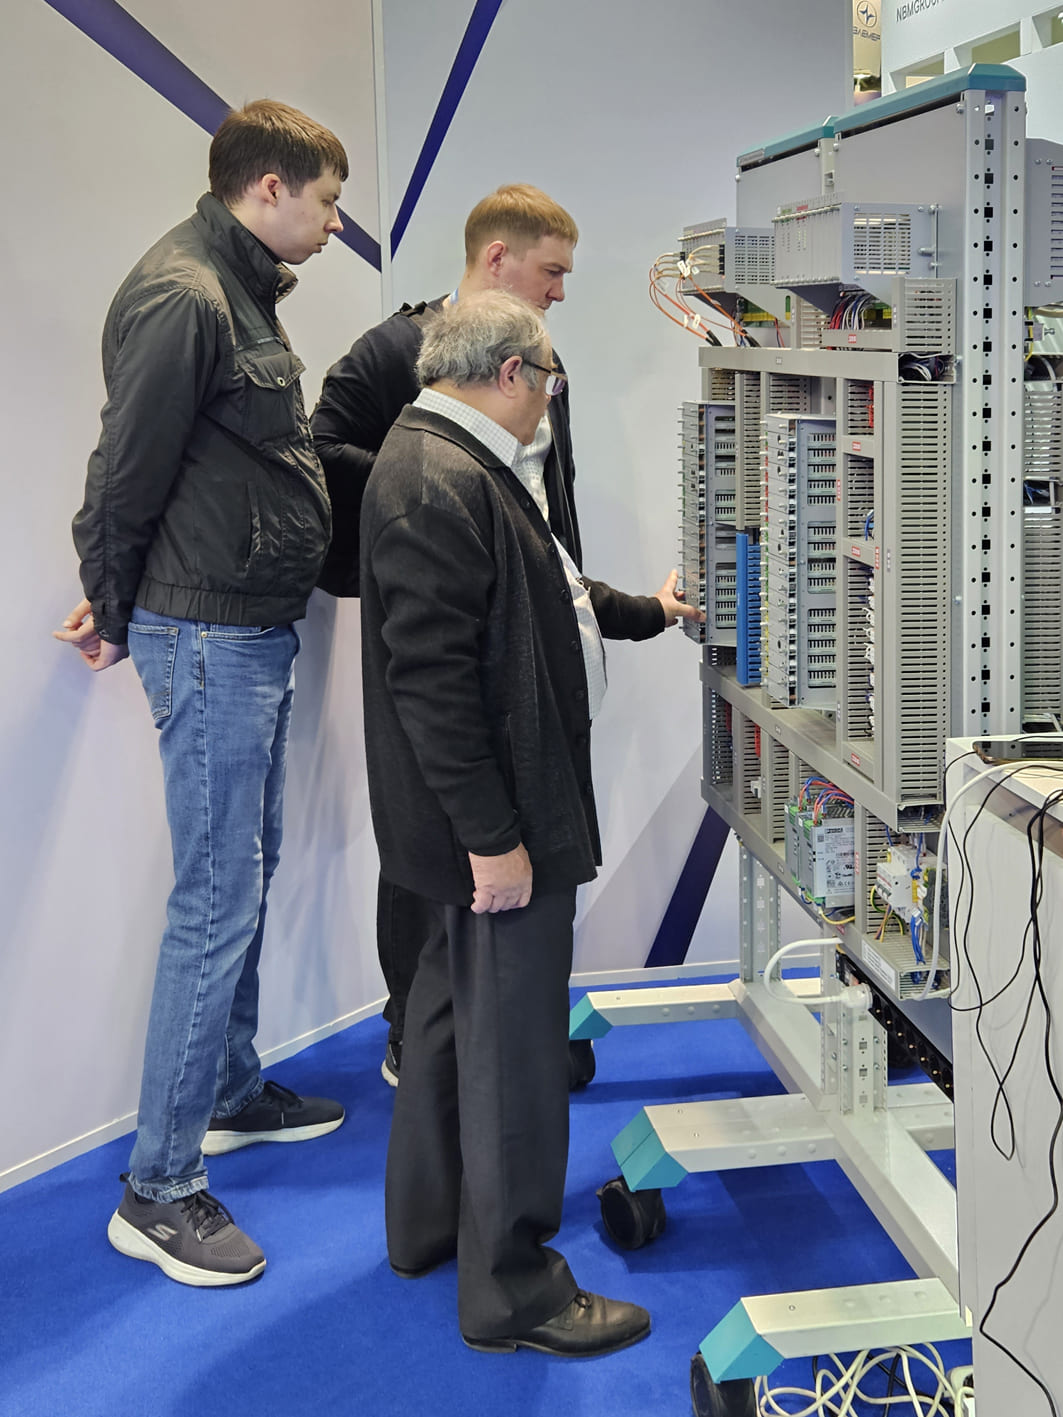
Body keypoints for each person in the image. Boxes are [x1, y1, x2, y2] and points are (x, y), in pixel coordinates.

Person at [360, 291, 699, 1355]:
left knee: (446, 1023)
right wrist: (494, 840)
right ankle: (516, 1291)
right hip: (494, 824)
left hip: (465, 825)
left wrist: (650, 611)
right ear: (510, 372)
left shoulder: (450, 462)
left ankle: (427, 1229)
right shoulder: (439, 481)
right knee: (513, 1053)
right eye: (550, 377)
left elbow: (544, 591)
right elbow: (432, 686)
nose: (553, 396)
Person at [53, 100, 350, 1288]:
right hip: (211, 636)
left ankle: (227, 1092)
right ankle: (158, 1188)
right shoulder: (187, 294)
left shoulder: (240, 288)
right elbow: (124, 471)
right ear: (268, 188)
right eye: (327, 201)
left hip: (246, 628)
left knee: (245, 875)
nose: (335, 223)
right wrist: (113, 598)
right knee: (216, 898)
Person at [312, 183, 691, 1084]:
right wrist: (436, 492)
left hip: (531, 638)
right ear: (496, 258)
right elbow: (319, 453)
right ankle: (415, 1033)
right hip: (458, 634)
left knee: (519, 864)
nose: (560, 289)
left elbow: (544, 524)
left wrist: (622, 608)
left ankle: (516, 1027)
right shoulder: (397, 358)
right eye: (551, 270)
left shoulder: (538, 361)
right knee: (441, 847)